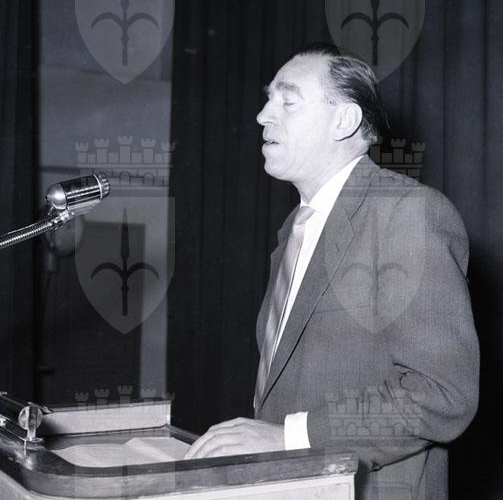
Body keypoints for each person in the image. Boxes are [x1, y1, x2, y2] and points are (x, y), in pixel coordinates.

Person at [185, 44, 479, 499]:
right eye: (267, 99)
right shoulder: (295, 228)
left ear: (344, 121)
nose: (263, 116)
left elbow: (441, 394)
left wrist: (291, 436)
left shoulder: (406, 212)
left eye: (287, 100)